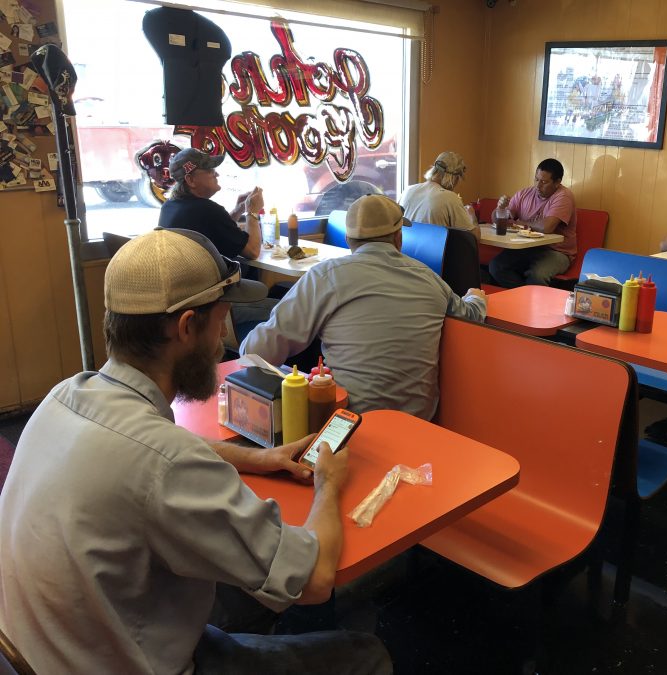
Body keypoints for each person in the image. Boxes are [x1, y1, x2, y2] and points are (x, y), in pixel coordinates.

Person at [0, 228, 392, 674]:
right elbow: (317, 579)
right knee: (367, 656)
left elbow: (149, 448)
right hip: (132, 660)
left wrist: (258, 457)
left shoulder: (67, 395)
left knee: (233, 587)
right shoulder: (166, 463)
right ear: (188, 327)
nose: (222, 336)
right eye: (222, 319)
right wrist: (328, 484)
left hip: (52, 649)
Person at [241, 194, 487, 420]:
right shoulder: (430, 278)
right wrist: (475, 297)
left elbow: (255, 351)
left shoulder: (325, 277)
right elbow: (471, 316)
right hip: (420, 426)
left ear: (348, 240)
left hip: (349, 425)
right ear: (398, 238)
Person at [159, 147, 276, 325]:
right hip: (213, 305)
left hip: (187, 303)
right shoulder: (208, 211)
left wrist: (238, 210)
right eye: (209, 170)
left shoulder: (171, 206)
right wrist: (252, 212)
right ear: (190, 180)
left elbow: (214, 231)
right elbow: (252, 251)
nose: (217, 174)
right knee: (288, 309)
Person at [488, 158, 577, 287]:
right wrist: (500, 208)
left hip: (557, 252)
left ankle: (532, 300)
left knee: (537, 274)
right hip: (527, 247)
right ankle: (523, 296)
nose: (537, 185)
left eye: (544, 182)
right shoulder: (525, 194)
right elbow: (498, 221)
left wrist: (518, 222)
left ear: (557, 182)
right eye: (536, 179)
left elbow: (547, 227)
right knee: (496, 266)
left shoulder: (564, 196)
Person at [398, 151, 479, 240]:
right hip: (432, 253)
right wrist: (472, 217)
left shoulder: (408, 190)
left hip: (405, 251)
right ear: (454, 178)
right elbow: (474, 238)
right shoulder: (450, 198)